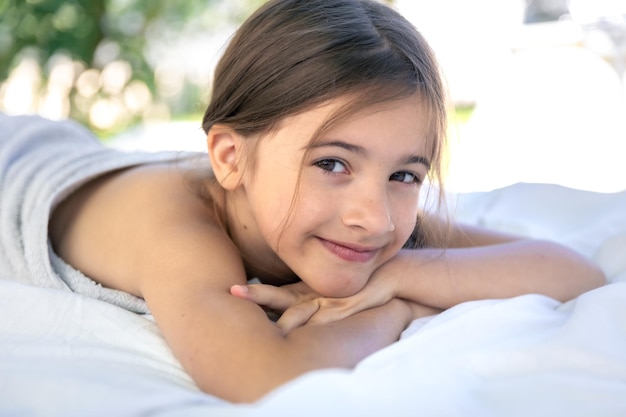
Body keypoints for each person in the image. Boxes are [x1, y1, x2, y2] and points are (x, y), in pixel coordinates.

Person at [2, 0, 604, 404]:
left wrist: (405, 273)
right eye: (332, 164)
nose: (374, 217)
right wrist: (394, 311)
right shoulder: (178, 233)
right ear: (231, 159)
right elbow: (266, 377)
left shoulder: (372, 215)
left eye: (405, 174)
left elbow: (572, 270)